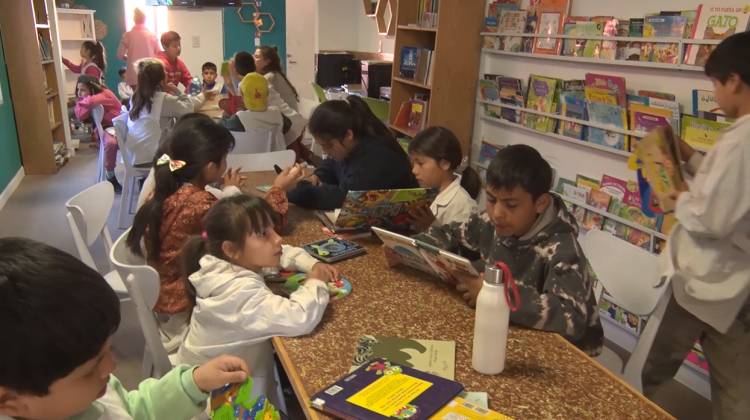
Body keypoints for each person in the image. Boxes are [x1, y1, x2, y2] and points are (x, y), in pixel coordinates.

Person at [0, 237, 250, 420]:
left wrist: (193, 383)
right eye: (89, 370)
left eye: (107, 351)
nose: (111, 366)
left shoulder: (92, 391)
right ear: (11, 404)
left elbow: (131, 409)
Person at [642, 32, 750, 419]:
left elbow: (713, 217)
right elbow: (731, 189)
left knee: (652, 369)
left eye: (715, 84)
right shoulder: (741, 137)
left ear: (733, 81)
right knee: (735, 388)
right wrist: (689, 157)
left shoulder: (742, 139)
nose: (715, 94)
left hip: (704, 280)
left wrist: (677, 196)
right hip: (732, 284)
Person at [414, 144, 603, 355]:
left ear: (540, 203)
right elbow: (450, 233)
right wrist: (410, 248)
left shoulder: (562, 248)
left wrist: (495, 296)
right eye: (491, 200)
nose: (497, 213)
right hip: (508, 335)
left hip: (561, 357)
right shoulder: (491, 222)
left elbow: (572, 318)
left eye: (511, 205)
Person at [176, 194, 334, 406]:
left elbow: (281, 252)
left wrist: (310, 264)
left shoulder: (221, 262)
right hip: (217, 403)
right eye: (263, 234)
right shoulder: (239, 293)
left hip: (208, 379)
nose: (277, 238)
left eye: (273, 229)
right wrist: (315, 282)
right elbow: (300, 317)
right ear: (230, 249)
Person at [126, 115, 243, 352]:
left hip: (163, 297)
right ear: (211, 167)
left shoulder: (165, 188)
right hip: (184, 309)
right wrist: (276, 190)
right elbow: (240, 225)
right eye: (224, 159)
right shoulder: (199, 202)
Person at [281, 95, 417, 210]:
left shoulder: (377, 156)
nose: (325, 151)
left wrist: (294, 190)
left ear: (348, 135)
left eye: (328, 145)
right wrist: (316, 178)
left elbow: (346, 199)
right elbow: (330, 166)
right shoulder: (350, 145)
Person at [125, 59, 210, 166]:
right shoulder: (163, 100)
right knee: (193, 159)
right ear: (160, 80)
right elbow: (190, 107)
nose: (167, 73)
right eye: (164, 71)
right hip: (157, 161)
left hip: (134, 158)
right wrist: (179, 91)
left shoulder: (135, 98)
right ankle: (173, 180)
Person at [407, 126, 480, 230]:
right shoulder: (430, 193)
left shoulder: (464, 207)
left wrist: (430, 226)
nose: (414, 170)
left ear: (444, 163)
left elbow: (459, 244)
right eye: (413, 163)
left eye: (420, 163)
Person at [254, 46, 309, 161]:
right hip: (292, 124)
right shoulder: (274, 74)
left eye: (257, 56)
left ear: (267, 61)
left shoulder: (269, 77)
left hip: (290, 127)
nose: (253, 58)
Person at [74, 75, 123, 192]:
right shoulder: (88, 100)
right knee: (110, 144)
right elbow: (80, 115)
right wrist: (83, 102)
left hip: (122, 124)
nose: (79, 93)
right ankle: (110, 176)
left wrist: (83, 103)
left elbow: (91, 102)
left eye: (83, 90)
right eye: (78, 90)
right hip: (107, 129)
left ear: (92, 88)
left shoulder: (105, 94)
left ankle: (141, 172)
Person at [222, 72, 283, 138]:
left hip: (249, 148)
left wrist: (225, 114)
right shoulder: (277, 112)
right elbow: (287, 127)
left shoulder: (240, 118)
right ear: (267, 93)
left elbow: (221, 128)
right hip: (279, 148)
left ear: (243, 95)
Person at [117, 8, 159, 88]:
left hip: (134, 74)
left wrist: (128, 58)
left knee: (136, 98)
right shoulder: (151, 35)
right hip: (150, 74)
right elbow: (159, 54)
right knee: (151, 99)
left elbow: (119, 54)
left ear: (134, 20)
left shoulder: (128, 35)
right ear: (145, 20)